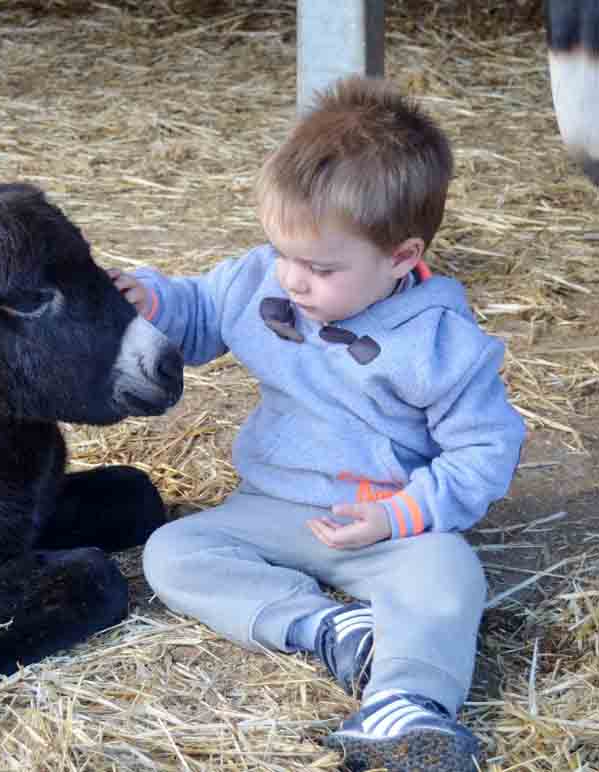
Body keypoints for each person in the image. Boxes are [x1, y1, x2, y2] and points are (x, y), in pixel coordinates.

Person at [111, 77, 526, 772]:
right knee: (173, 551)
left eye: (319, 267)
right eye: (282, 253)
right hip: (269, 507)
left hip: (387, 526)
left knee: (450, 575)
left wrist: (402, 515)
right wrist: (152, 300)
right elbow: (201, 313)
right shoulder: (263, 281)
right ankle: (332, 630)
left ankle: (405, 703)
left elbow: (484, 449)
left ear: (401, 256)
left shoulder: (439, 340)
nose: (292, 281)